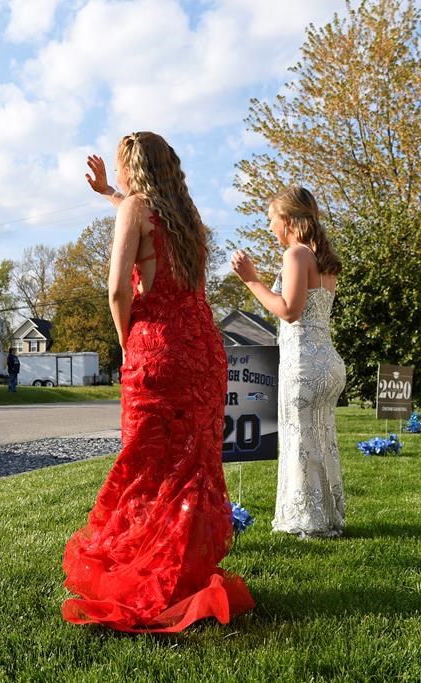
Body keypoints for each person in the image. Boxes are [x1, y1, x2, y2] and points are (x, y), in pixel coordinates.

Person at [61, 132, 253, 633]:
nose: (120, 177)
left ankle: (148, 579)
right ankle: (185, 575)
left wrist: (128, 342)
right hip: (204, 348)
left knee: (149, 464)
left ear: (133, 167)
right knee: (192, 464)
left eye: (123, 168)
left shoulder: (137, 209)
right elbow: (143, 218)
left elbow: (116, 287)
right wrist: (107, 193)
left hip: (160, 347)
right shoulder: (188, 219)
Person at [231, 186, 346, 538]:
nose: (269, 227)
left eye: (271, 220)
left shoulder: (296, 255)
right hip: (327, 361)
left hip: (303, 365)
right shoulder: (324, 260)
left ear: (289, 220)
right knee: (321, 439)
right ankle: (328, 516)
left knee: (300, 440)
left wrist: (251, 280)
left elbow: (290, 311)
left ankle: (305, 520)